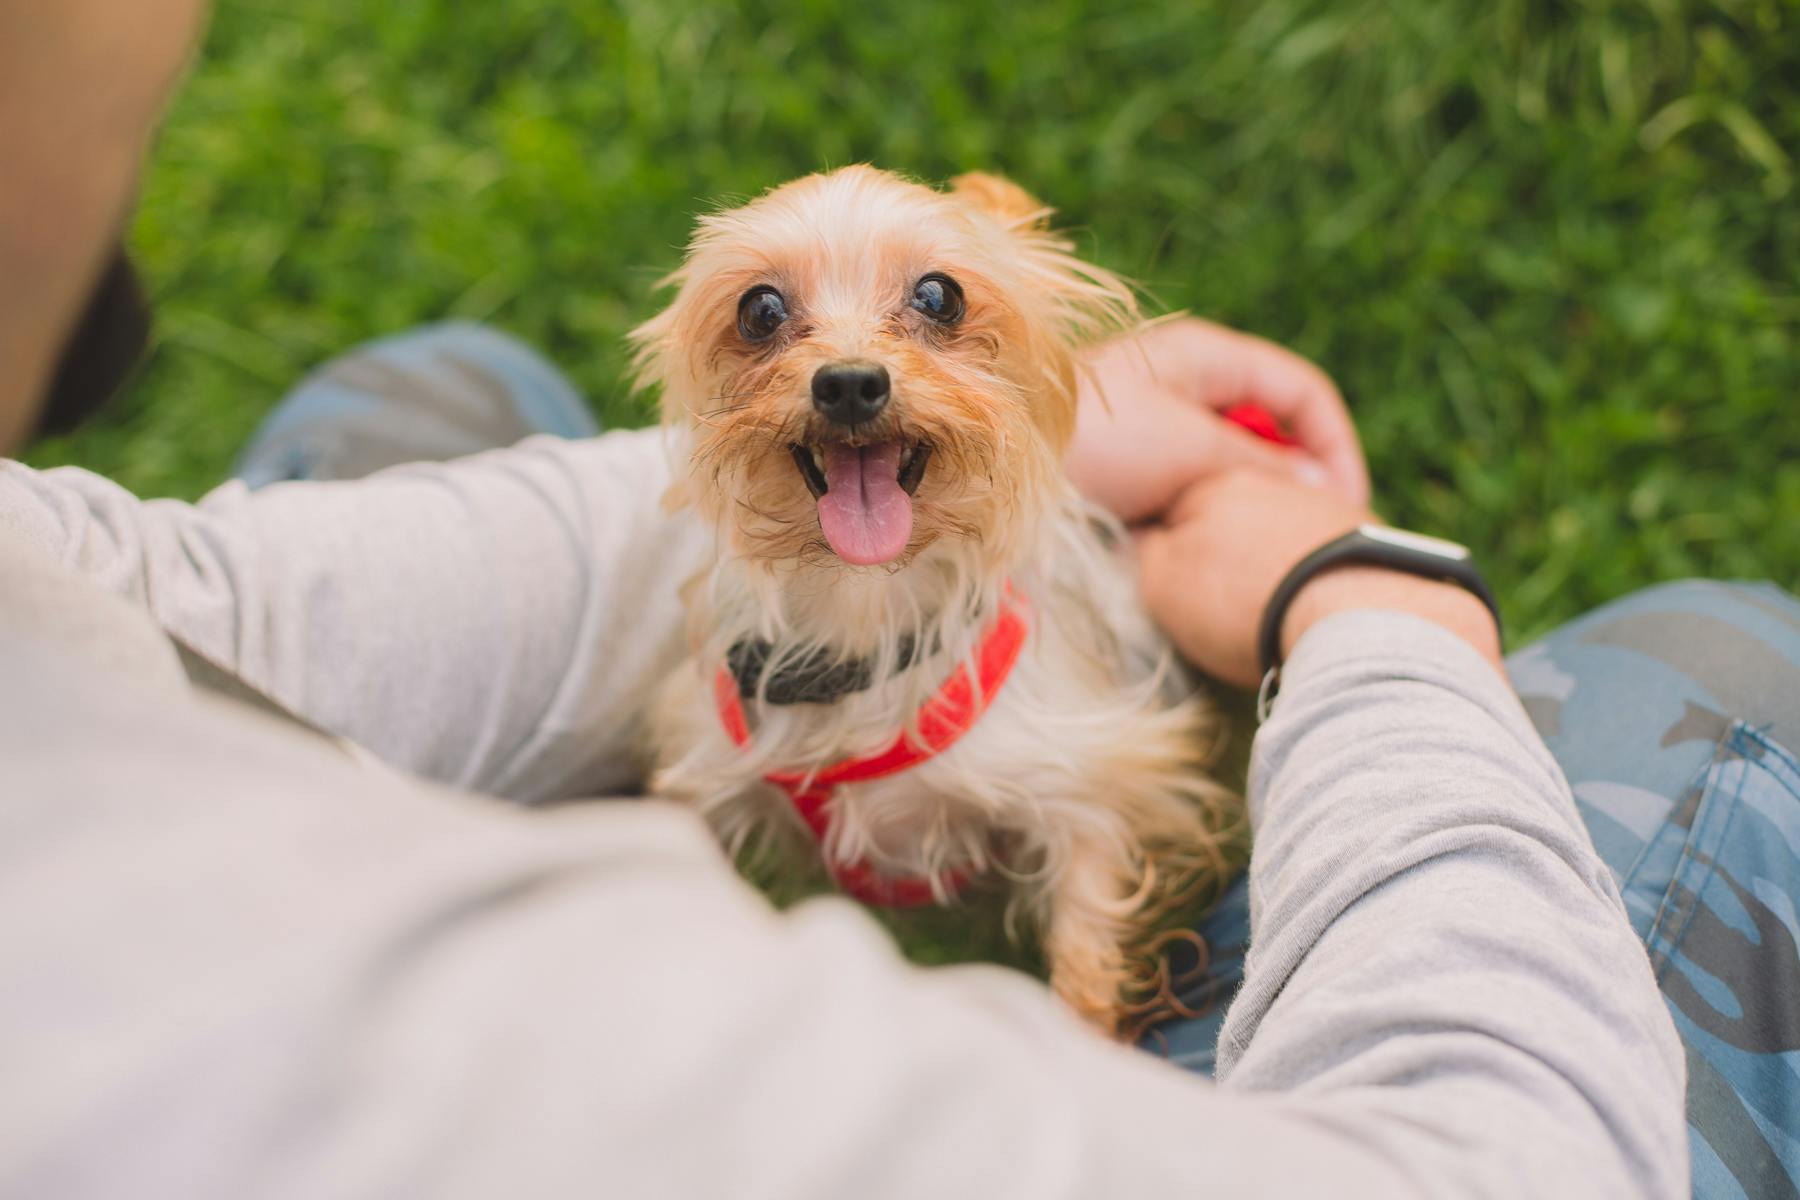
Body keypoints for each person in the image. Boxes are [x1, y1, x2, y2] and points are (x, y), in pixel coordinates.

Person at [3, 3, 1794, 1197]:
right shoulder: (525, 1061)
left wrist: (1025, 432)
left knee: (450, 378)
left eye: (933, 315)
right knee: (1733, 661)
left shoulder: (73, 611)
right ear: (694, 370)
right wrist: (1362, 597)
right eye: (765, 324)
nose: (848, 370)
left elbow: (202, 593)